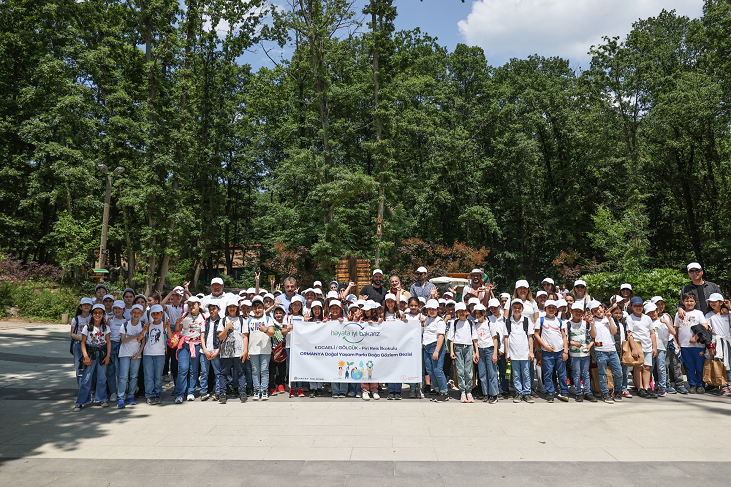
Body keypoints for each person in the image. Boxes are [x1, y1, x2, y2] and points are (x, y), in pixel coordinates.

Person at [73, 304, 111, 412]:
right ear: (92, 314)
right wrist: (85, 356)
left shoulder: (105, 327)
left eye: (100, 313)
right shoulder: (87, 327)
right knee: (86, 377)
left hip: (102, 353)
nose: (97, 315)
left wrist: (108, 356)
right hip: (90, 353)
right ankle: (81, 401)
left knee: (102, 377)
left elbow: (108, 342)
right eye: (95, 313)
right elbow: (83, 342)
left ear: (103, 315)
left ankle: (102, 398)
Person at [586, 301, 623, 404]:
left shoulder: (609, 318)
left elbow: (614, 331)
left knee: (618, 372)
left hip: (612, 350)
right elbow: (593, 335)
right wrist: (592, 324)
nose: (598, 312)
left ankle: (617, 392)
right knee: (602, 373)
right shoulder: (593, 321)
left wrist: (610, 318)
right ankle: (605, 393)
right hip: (600, 352)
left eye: (599, 309)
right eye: (595, 311)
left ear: (602, 307)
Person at [535, 300, 569, 403]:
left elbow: (564, 336)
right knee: (548, 373)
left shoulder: (559, 321)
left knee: (562, 373)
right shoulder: (540, 320)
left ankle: (564, 391)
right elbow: (536, 334)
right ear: (545, 309)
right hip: (547, 352)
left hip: (560, 351)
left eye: (553, 308)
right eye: (549, 307)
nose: (551, 309)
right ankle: (550, 392)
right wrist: (545, 346)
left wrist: (565, 351)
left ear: (556, 309)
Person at [675, 292, 710, 393]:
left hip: (698, 345)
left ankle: (700, 384)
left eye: (691, 301)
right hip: (684, 345)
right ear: (683, 302)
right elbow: (676, 329)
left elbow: (705, 326)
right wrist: (676, 342)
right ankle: (692, 384)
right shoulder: (679, 314)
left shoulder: (698, 313)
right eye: (687, 301)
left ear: (695, 302)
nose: (689, 303)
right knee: (688, 366)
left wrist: (696, 337)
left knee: (699, 366)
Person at [173, 295, 206, 403]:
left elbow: (202, 334)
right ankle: (179, 393)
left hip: (196, 344)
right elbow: (178, 330)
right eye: (189, 305)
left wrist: (204, 348)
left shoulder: (203, 317)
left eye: (194, 304)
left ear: (199, 305)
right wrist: (178, 322)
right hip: (183, 344)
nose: (191, 306)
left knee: (193, 370)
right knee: (183, 368)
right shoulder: (184, 315)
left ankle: (191, 392)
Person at [217, 299, 249, 404]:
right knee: (224, 373)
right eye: (230, 306)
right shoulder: (223, 320)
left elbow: (245, 336)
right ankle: (223, 393)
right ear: (227, 308)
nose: (232, 308)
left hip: (239, 351)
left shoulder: (242, 320)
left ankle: (242, 392)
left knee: (240, 372)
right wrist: (227, 328)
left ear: (237, 308)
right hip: (226, 352)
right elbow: (220, 337)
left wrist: (245, 350)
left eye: (234, 306)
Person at [653, 296, 687, 394]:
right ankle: (666, 385)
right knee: (664, 366)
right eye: (657, 304)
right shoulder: (651, 317)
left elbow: (672, 331)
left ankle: (679, 384)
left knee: (676, 364)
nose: (660, 306)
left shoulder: (666, 316)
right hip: (660, 345)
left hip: (671, 343)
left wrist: (676, 342)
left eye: (662, 304)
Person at [626, 298, 658, 399]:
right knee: (638, 367)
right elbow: (629, 334)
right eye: (636, 306)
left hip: (647, 345)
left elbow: (652, 333)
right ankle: (640, 388)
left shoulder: (647, 318)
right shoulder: (630, 318)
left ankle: (647, 387)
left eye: (640, 306)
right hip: (637, 344)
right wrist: (634, 348)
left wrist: (654, 347)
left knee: (647, 367)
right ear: (631, 307)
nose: (638, 308)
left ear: (643, 307)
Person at [448, 302, 479, 403]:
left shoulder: (470, 323)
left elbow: (474, 338)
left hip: (469, 347)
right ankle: (462, 392)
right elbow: (451, 338)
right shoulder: (454, 323)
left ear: (466, 312)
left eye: (463, 311)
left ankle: (469, 391)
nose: (461, 313)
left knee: (468, 371)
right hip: (458, 347)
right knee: (460, 370)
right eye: (459, 311)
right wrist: (452, 350)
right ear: (456, 312)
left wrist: (476, 351)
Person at [142, 304, 173, 405]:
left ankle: (158, 393)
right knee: (148, 375)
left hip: (160, 354)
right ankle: (149, 395)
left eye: (157, 314)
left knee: (158, 376)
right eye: (153, 314)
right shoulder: (148, 325)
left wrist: (168, 327)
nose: (155, 316)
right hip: (148, 353)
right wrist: (144, 330)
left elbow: (170, 337)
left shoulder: (164, 325)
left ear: (161, 314)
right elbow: (141, 338)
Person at [505, 299, 534, 403]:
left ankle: (527, 393)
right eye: (515, 307)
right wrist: (507, 352)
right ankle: (518, 393)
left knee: (526, 373)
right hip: (513, 353)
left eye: (519, 308)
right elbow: (506, 337)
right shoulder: (508, 321)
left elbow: (530, 337)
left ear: (522, 309)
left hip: (525, 353)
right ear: (511, 308)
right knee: (516, 374)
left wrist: (531, 351)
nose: (517, 310)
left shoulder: (526, 321)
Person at [116, 304, 146, 408]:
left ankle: (131, 395)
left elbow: (142, 342)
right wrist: (136, 336)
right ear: (130, 313)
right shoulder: (124, 325)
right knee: (123, 376)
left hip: (136, 354)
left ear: (142, 314)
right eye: (134, 312)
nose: (136, 314)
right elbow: (123, 340)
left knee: (134, 376)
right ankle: (120, 397)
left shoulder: (142, 325)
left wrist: (139, 353)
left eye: (138, 313)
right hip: (124, 353)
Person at [566, 302, 596, 402]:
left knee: (586, 373)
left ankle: (587, 392)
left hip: (585, 353)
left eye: (580, 311)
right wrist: (573, 343)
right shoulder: (568, 324)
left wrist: (589, 346)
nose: (578, 313)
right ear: (571, 312)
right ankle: (579, 392)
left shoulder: (586, 323)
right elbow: (564, 340)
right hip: (574, 354)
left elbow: (593, 337)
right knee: (576, 373)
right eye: (576, 311)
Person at [247, 296, 275, 400]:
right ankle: (256, 390)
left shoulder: (267, 319)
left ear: (263, 308)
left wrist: (265, 330)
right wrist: (246, 350)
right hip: (253, 350)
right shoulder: (249, 320)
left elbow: (272, 333)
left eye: (259, 307)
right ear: (252, 309)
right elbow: (245, 336)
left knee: (264, 371)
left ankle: (264, 391)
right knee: (255, 371)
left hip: (265, 350)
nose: (257, 310)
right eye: (255, 308)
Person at [706, 293, 731, 395]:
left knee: (729, 363)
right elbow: (708, 331)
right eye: (711, 302)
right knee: (719, 363)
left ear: (721, 303)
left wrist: (729, 308)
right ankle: (723, 385)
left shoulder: (728, 314)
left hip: (728, 341)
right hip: (717, 342)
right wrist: (710, 346)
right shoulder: (708, 315)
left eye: (714, 301)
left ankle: (729, 383)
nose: (712, 303)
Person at [474, 303, 499, 403]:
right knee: (482, 374)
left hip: (489, 349)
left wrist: (494, 353)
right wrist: (476, 352)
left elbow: (495, 339)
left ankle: (494, 394)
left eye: (479, 313)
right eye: (476, 313)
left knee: (492, 373)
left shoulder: (490, 323)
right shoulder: (475, 325)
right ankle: (486, 393)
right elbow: (475, 340)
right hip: (480, 350)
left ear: (484, 313)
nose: (478, 315)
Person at [647, 301, 673, 398]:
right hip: (649, 348)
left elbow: (673, 332)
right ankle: (648, 386)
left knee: (661, 368)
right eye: (649, 313)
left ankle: (662, 387)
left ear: (657, 311)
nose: (651, 314)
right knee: (649, 368)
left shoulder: (662, 321)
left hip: (661, 347)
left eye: (653, 311)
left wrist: (666, 322)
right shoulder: (648, 322)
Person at [199, 302, 222, 401]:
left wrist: (218, 351)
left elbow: (222, 338)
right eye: (210, 309)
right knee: (204, 372)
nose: (212, 311)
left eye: (214, 308)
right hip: (205, 351)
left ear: (218, 310)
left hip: (216, 350)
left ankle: (218, 391)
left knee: (218, 372)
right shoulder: (205, 321)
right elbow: (202, 336)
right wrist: (205, 350)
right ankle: (203, 391)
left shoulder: (221, 321)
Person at [105, 300, 127, 403]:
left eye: (119, 308)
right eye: (115, 308)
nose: (117, 310)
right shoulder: (110, 320)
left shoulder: (127, 321)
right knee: (110, 371)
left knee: (121, 371)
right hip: (110, 346)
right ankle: (113, 392)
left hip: (122, 346)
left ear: (124, 310)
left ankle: (121, 392)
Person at [488, 298, 510, 400]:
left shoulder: (505, 320)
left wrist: (503, 350)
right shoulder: (488, 319)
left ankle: (505, 389)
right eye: (491, 308)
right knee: (493, 372)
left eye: (495, 308)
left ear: (499, 307)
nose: (493, 310)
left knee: (504, 372)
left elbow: (505, 336)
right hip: (491, 349)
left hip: (502, 349)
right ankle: (495, 389)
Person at [71, 297, 93, 386]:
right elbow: (73, 334)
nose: (86, 306)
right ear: (80, 307)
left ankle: (90, 390)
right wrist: (82, 339)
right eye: (84, 305)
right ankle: (81, 389)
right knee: (79, 368)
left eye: (88, 304)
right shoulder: (76, 319)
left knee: (90, 368)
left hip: (91, 345)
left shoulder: (93, 318)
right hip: (78, 345)